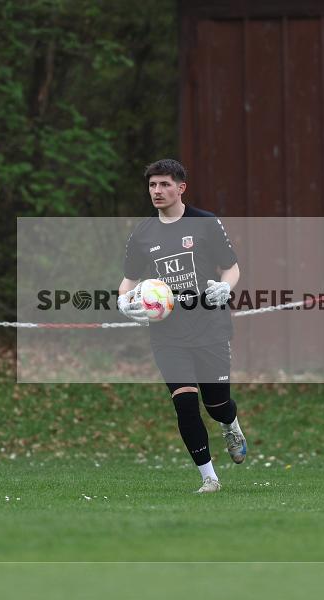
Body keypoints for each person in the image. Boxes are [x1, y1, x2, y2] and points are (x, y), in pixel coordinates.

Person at [117, 159, 247, 494]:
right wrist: (123, 301)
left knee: (216, 405)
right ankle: (209, 477)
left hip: (210, 328)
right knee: (185, 403)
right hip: (167, 335)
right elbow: (129, 279)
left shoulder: (205, 223)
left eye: (164, 184)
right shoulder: (142, 233)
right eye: (152, 185)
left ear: (181, 188)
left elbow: (231, 267)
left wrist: (225, 286)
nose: (157, 191)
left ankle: (229, 423)